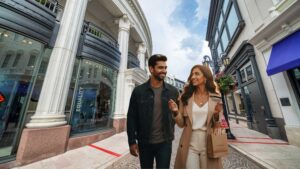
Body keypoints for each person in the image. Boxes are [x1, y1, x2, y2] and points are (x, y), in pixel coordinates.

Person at [127, 54, 179, 169]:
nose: (164, 71)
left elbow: (178, 116)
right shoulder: (138, 91)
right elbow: (131, 117)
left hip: (165, 142)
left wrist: (175, 112)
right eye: (160, 67)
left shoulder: (173, 91)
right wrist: (132, 141)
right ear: (151, 69)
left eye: (165, 68)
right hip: (144, 142)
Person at [168, 65, 224, 169]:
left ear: (206, 77)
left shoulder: (216, 97)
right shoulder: (185, 97)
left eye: (197, 74)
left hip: (209, 142)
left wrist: (216, 115)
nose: (193, 76)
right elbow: (181, 124)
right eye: (192, 74)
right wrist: (176, 112)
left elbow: (217, 124)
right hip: (190, 143)